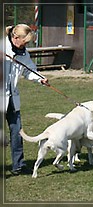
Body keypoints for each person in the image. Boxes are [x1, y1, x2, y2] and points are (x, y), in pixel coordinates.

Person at [4, 24, 48, 175]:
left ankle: (19, 165)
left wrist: (40, 79)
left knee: (17, 131)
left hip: (12, 98)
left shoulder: (23, 53)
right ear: (15, 38)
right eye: (25, 41)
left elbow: (29, 71)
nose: (26, 45)